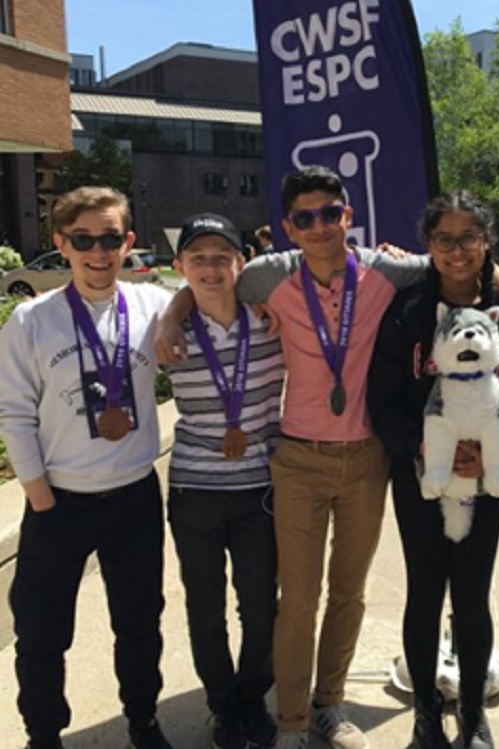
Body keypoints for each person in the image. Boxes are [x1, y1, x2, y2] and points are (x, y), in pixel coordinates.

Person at [155, 165, 499, 749]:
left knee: (349, 592)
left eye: (329, 214)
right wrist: (171, 311)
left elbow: (466, 266)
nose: (318, 228)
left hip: (366, 457)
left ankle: (328, 705)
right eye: (304, 218)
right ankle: (290, 720)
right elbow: (208, 279)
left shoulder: (387, 270)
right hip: (297, 459)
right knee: (298, 600)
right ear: (287, 226)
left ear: (347, 216)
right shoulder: (268, 275)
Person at [0, 186, 174, 749]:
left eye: (109, 239)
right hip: (58, 500)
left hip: (133, 496)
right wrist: (40, 498)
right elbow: (13, 411)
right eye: (83, 240)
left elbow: (216, 288)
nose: (98, 253)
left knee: (141, 623)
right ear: (61, 244)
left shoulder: (154, 306)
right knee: (42, 632)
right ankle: (44, 734)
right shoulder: (31, 321)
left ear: (127, 242)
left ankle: (143, 720)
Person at [367, 191, 499, 749]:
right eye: (445, 239)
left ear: (486, 243)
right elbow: (383, 400)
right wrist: (424, 447)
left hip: (483, 478)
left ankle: (471, 715)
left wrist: (495, 457)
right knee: (424, 591)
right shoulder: (409, 312)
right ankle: (425, 713)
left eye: (469, 238)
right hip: (421, 476)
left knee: (471, 593)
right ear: (429, 245)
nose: (457, 250)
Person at [163, 213, 285, 749]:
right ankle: (223, 705)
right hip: (195, 490)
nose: (210, 269)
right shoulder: (166, 331)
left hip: (259, 486)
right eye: (197, 259)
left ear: (242, 263)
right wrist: (173, 311)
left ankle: (252, 696)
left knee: (260, 605)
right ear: (179, 266)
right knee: (204, 605)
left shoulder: (273, 320)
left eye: (221, 257)